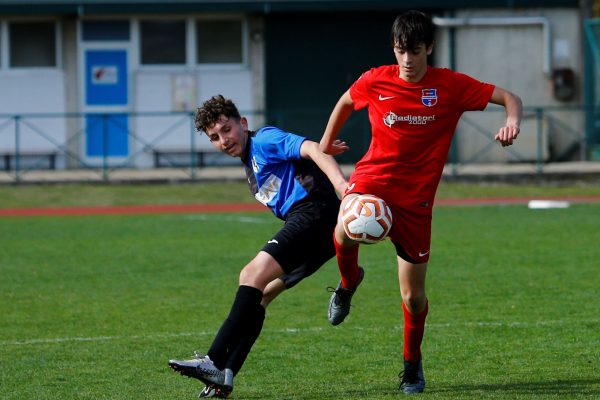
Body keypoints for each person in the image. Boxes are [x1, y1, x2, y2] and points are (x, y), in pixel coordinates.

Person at [319, 10, 523, 395]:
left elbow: (510, 98)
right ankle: (347, 284)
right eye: (400, 51)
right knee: (344, 226)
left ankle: (412, 366)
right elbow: (346, 101)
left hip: (416, 204)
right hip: (373, 181)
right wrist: (328, 140)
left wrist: (512, 121)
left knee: (413, 298)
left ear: (429, 47)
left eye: (414, 51)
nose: (407, 61)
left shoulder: (451, 86)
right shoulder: (376, 79)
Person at [168, 95, 348, 398]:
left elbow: (312, 148)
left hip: (314, 213)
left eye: (227, 129)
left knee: (250, 275)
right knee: (260, 296)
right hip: (319, 233)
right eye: (215, 137)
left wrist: (343, 187)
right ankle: (225, 376)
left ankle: (212, 360)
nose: (223, 140)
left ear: (243, 123)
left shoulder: (264, 140)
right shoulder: (250, 165)